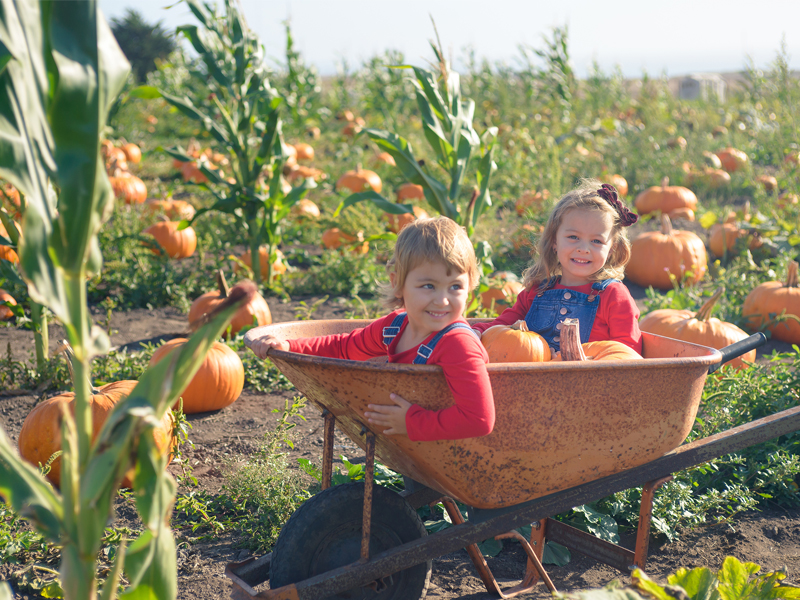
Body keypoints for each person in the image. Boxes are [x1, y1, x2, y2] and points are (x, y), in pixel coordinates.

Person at [248, 216, 495, 442]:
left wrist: (411, 422)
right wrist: (289, 346)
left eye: (455, 287)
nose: (442, 300)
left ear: (470, 286)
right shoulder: (394, 327)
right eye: (428, 286)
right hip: (425, 450)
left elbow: (480, 419)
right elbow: (344, 348)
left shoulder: (458, 345)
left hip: (460, 449)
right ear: (397, 283)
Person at [474, 180, 643, 355]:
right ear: (554, 241)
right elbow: (502, 325)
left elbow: (627, 350)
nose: (583, 249)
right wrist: (478, 331)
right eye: (573, 237)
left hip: (590, 380)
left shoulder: (613, 296)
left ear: (611, 249)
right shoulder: (538, 290)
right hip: (533, 377)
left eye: (596, 241)